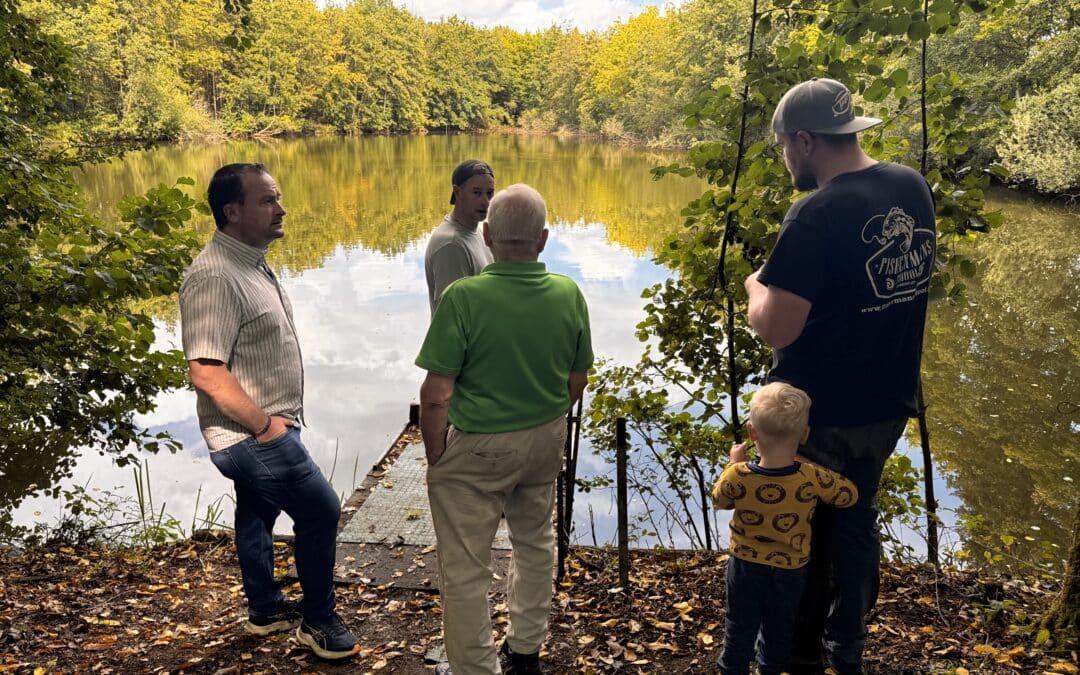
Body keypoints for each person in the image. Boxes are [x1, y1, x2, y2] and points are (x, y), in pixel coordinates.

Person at [744, 77, 937, 674]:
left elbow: (778, 328)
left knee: (798, 534)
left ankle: (796, 655)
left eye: (782, 146)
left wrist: (756, 287)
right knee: (854, 521)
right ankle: (846, 647)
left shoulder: (817, 212)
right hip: (887, 403)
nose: (784, 159)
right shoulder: (911, 186)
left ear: (804, 140)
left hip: (817, 415)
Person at [179, 163, 358, 661]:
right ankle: (318, 623)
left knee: (256, 511)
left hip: (266, 425)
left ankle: (265, 611)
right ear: (232, 211)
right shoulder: (214, 276)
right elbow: (207, 373)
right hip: (249, 434)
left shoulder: (248, 260)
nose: (281, 209)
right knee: (321, 510)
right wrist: (266, 427)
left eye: (277, 199)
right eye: (267, 201)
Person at [415, 184, 593, 675]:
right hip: (545, 438)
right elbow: (577, 378)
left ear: (489, 235)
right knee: (535, 543)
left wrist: (436, 455)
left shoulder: (464, 296)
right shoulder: (568, 292)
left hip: (480, 446)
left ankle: (476, 668)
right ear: (544, 238)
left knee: (466, 564)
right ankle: (525, 650)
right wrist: (546, 414)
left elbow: (437, 394)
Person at [711, 383, 858, 675]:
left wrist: (733, 464)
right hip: (791, 569)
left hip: (745, 565)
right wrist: (815, 470)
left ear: (752, 433)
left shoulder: (739, 476)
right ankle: (771, 668)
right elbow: (849, 495)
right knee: (779, 628)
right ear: (804, 435)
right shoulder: (810, 477)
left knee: (739, 625)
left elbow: (720, 500)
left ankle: (732, 669)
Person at [425, 159, 496, 314]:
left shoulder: (476, 231)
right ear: (457, 192)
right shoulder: (451, 245)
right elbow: (452, 315)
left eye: (489, 193)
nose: (485, 201)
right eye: (477, 193)